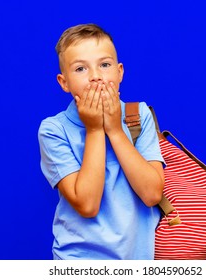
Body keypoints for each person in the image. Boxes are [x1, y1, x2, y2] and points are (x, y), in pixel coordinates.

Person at [38, 23, 165, 260]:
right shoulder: (53, 130)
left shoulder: (138, 115)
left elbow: (151, 194)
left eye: (104, 65)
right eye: (80, 69)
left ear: (120, 72)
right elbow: (88, 205)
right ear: (63, 82)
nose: (96, 76)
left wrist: (115, 130)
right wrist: (95, 129)